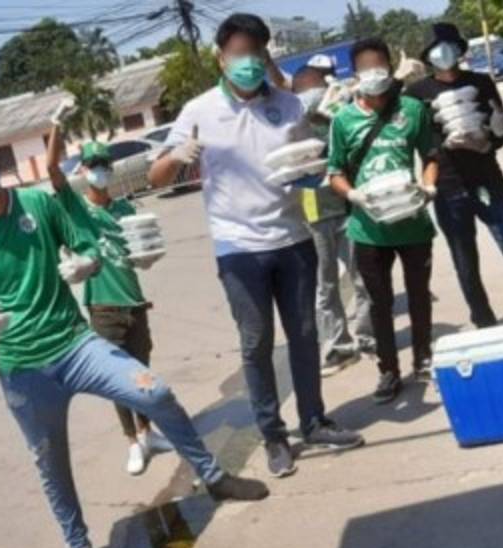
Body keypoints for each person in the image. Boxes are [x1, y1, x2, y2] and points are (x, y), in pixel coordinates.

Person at [0, 134, 269, 548]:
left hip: (74, 344)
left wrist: (86, 265)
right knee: (49, 462)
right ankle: (79, 547)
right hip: (20, 368)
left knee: (152, 391)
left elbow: (88, 245)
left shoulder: (38, 205)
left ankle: (213, 477)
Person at [148, 12, 364, 478]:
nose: (247, 63)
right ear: (221, 58)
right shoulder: (198, 111)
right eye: (238, 55)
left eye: (256, 54)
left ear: (266, 55)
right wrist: (177, 157)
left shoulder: (287, 106)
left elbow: (307, 160)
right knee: (257, 343)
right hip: (239, 247)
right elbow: (155, 174)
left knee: (305, 334)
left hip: (293, 238)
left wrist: (311, 173)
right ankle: (273, 436)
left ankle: (314, 420)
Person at [45, 109, 169, 476]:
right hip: (104, 308)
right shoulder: (76, 209)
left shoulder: (125, 209)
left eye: (104, 163)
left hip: (135, 302)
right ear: (82, 170)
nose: (99, 169)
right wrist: (56, 125)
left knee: (142, 372)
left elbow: (140, 248)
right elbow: (52, 170)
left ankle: (148, 433)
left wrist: (148, 259)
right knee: (117, 380)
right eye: (92, 164)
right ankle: (131, 441)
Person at [407, 22, 503, 328]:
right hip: (447, 188)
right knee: (465, 263)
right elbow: (415, 138)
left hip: (488, 178)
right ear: (427, 55)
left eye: (448, 45)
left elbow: (500, 127)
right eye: (435, 47)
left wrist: (496, 136)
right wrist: (440, 144)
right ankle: (484, 321)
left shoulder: (482, 82)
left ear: (460, 49)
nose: (443, 52)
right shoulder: (416, 93)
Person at [327, 38, 440, 404]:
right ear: (355, 75)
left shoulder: (411, 109)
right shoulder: (343, 120)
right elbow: (335, 172)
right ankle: (388, 370)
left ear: (390, 69)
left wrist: (429, 185)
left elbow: (431, 154)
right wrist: (353, 194)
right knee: (378, 303)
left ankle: (423, 357)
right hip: (368, 228)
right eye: (366, 69)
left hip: (412, 222)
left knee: (420, 293)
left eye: (380, 67)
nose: (373, 75)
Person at [290, 64, 377, 377]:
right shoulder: (293, 118)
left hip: (348, 203)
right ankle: (338, 346)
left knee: (362, 276)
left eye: (318, 88)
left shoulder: (341, 109)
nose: (313, 97)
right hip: (315, 211)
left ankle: (369, 338)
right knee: (325, 285)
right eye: (306, 91)